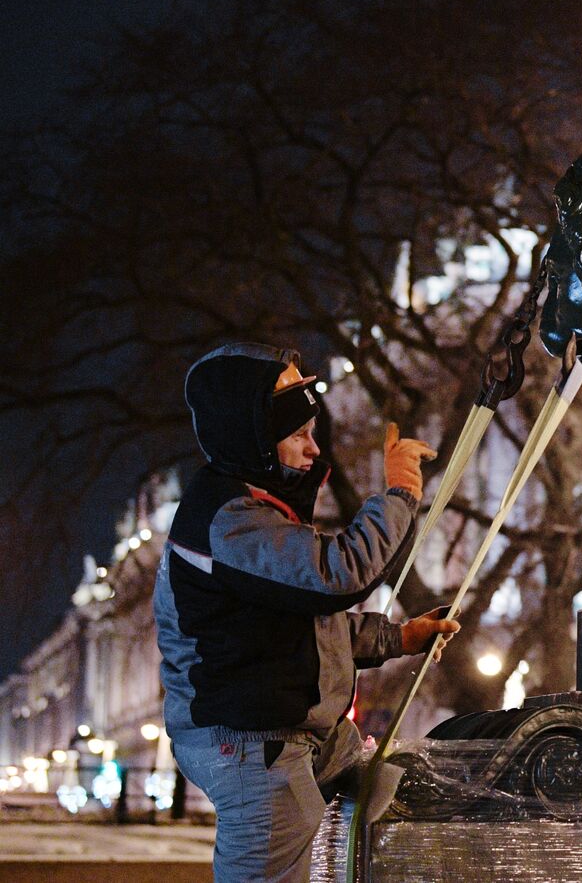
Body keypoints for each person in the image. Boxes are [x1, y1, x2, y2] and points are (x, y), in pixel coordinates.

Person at [154, 342, 459, 882]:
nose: (314, 450)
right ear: (254, 438)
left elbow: (301, 630)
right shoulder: (228, 521)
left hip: (297, 737)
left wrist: (400, 638)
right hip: (252, 745)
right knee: (276, 851)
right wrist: (399, 495)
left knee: (390, 793)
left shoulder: (256, 513)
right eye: (298, 435)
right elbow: (336, 575)